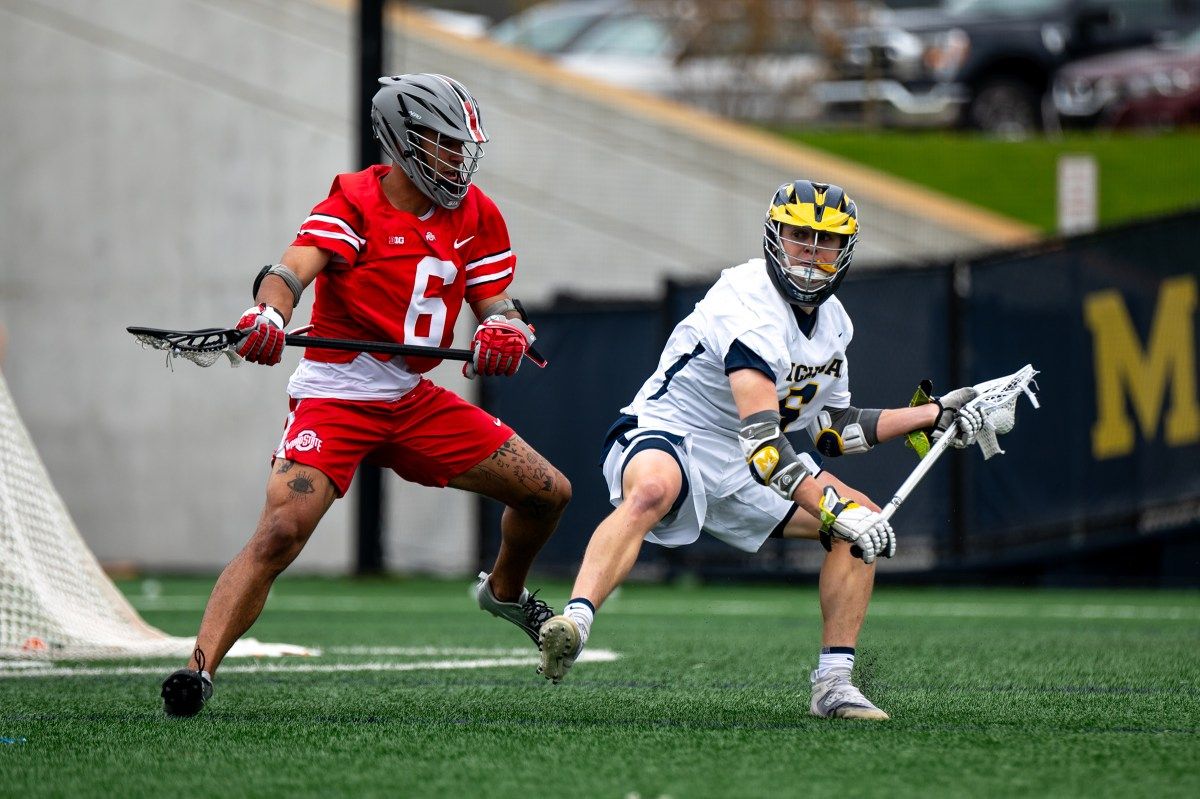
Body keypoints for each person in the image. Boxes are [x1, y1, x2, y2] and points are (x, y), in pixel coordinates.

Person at [160, 73, 572, 717]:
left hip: (411, 398)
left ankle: (505, 591)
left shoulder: (477, 213)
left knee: (549, 493)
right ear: (404, 142)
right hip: (337, 392)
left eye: (464, 144)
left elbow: (498, 305)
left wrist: (505, 331)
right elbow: (290, 269)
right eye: (444, 143)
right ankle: (198, 669)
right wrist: (268, 315)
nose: (458, 157)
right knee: (280, 532)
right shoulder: (355, 200)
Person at [536, 180, 983, 720]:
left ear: (846, 251)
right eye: (800, 237)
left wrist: (935, 416)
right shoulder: (746, 301)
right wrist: (834, 509)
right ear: (775, 235)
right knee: (655, 489)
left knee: (860, 523)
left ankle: (834, 684)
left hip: (744, 452)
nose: (812, 255)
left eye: (826, 241)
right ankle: (574, 623)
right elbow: (767, 447)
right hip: (674, 427)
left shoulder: (835, 322)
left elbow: (830, 431)